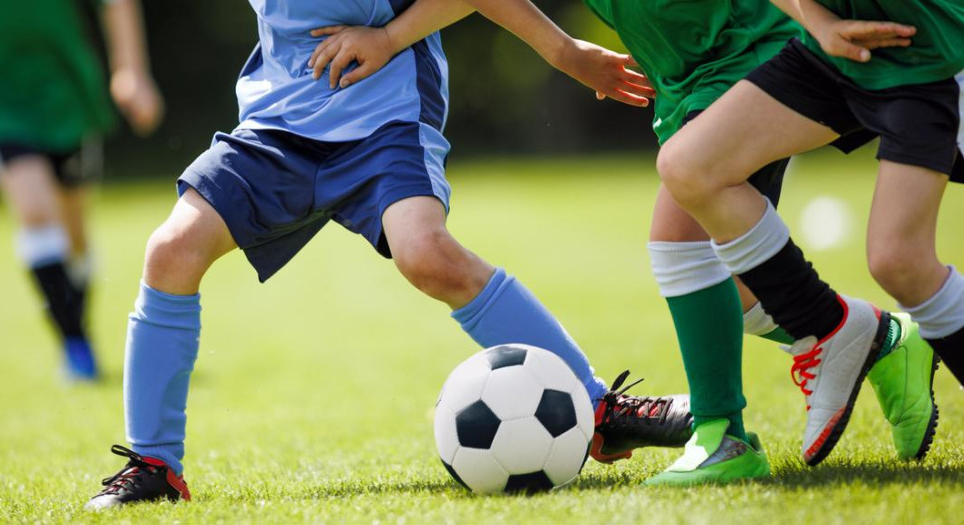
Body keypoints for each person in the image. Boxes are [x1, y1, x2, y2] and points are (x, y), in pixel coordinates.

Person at [302, 0, 938, 485]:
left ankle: (724, 437)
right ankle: (873, 336)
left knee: (677, 239)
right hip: (684, 75)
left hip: (755, 52)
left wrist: (816, 19)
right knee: (737, 294)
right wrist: (563, 53)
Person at [84, 0, 690, 509]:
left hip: (386, 119)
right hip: (276, 128)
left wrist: (560, 52)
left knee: (428, 255)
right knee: (171, 250)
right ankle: (155, 467)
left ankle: (599, 408)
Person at [656, 0, 961, 467]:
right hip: (828, 51)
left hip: (926, 51)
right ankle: (830, 327)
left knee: (900, 262)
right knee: (690, 165)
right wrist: (818, 21)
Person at [0, 0, 163, 381]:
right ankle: (75, 346)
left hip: (68, 95)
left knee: (74, 233)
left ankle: (76, 328)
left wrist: (131, 70)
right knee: (36, 212)